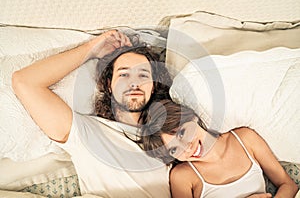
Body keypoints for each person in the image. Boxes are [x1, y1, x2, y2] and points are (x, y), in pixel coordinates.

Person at [12, 30, 172, 197]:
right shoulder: (86, 132)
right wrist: (91, 50)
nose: (134, 83)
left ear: (153, 86)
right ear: (109, 85)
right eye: (124, 74)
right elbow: (24, 81)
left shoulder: (168, 134)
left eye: (143, 75)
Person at [141, 99, 298, 198]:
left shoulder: (244, 138)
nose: (187, 148)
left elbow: (288, 184)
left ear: (192, 118)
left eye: (182, 133)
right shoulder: (183, 176)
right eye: (174, 150)